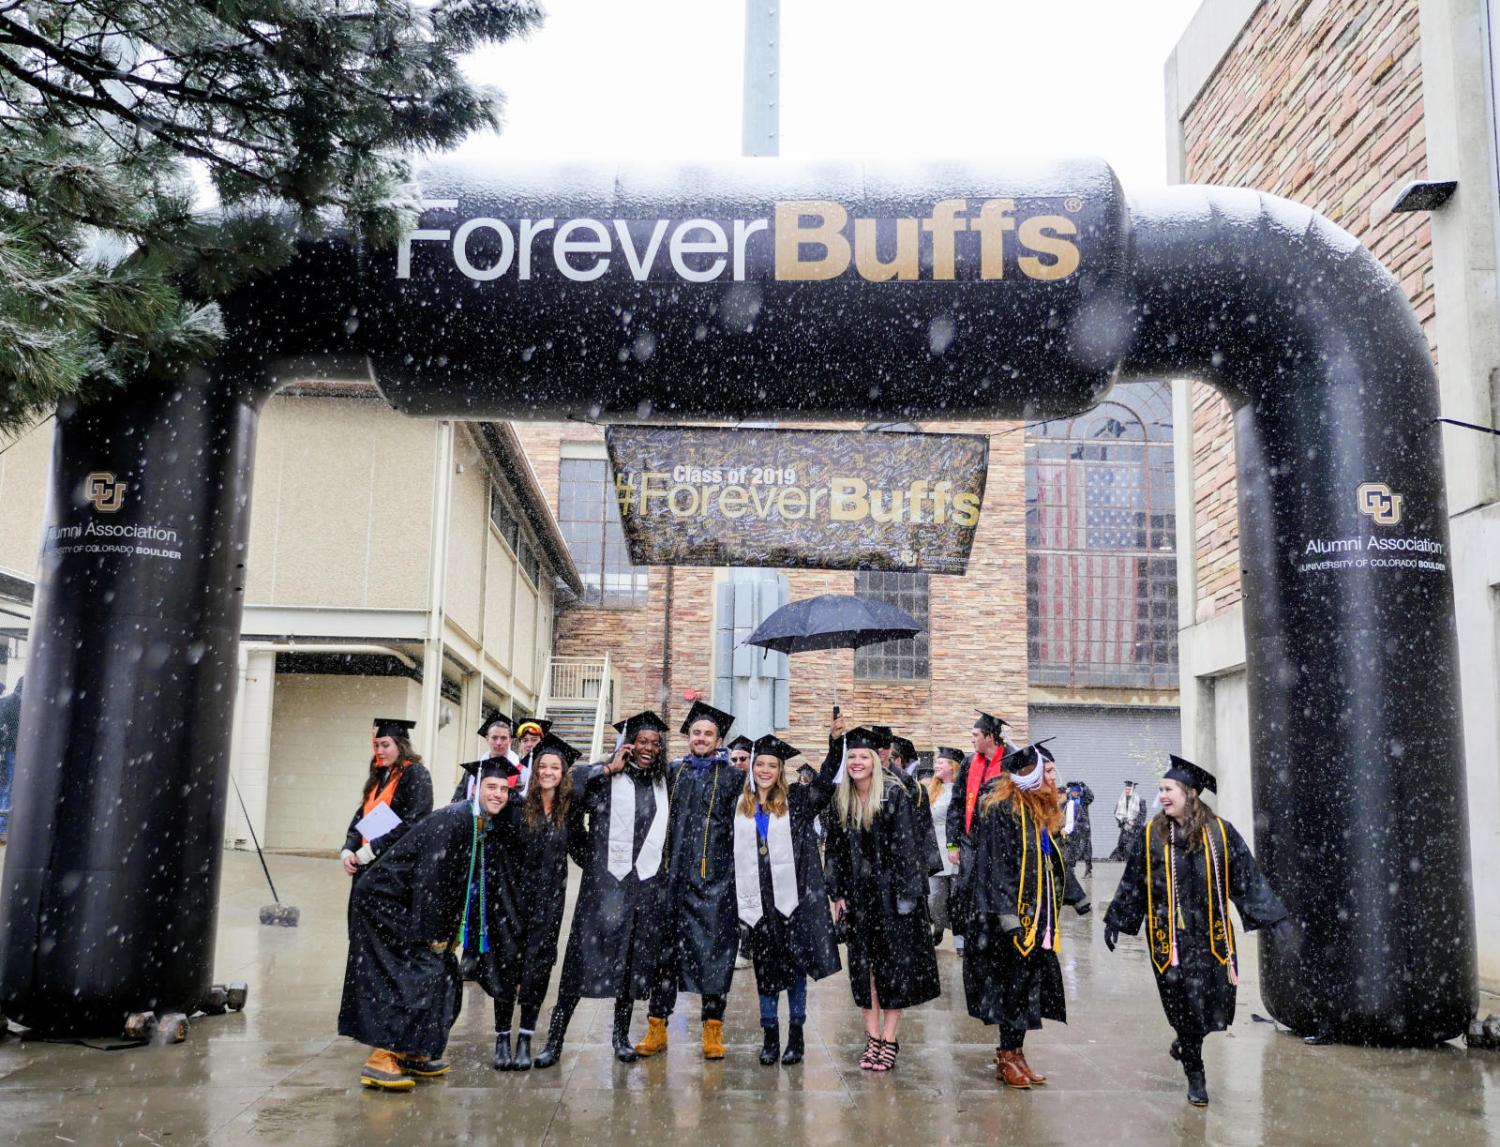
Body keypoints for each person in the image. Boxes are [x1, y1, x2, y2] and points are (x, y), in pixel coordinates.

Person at [1104, 756, 1291, 1107]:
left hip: (1212, 939)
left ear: (1191, 794)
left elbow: (1247, 878)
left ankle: (1186, 1043)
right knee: (1183, 1008)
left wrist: (1274, 919)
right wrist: (1117, 918)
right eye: (1160, 789)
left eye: (1169, 789)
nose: (1162, 796)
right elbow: (1135, 880)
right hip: (1169, 942)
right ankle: (1195, 1072)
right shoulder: (1152, 835)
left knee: (1215, 1007)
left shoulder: (1220, 833)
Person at [338, 760, 511, 1089]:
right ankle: (381, 1057)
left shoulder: (477, 821)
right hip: (383, 902)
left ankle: (412, 1050)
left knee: (443, 976)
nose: (499, 793)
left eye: (503, 789)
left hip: (404, 903)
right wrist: (433, 935)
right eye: (491, 787)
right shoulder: (456, 819)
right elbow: (431, 879)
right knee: (409, 975)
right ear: (476, 788)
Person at [534, 711, 671, 1069]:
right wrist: (591, 859)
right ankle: (555, 1041)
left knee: (628, 966)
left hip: (643, 888)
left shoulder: (663, 781)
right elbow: (570, 792)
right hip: (603, 887)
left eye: (655, 743)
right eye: (642, 741)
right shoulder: (604, 777)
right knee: (580, 963)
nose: (649, 749)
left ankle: (620, 1037)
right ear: (628, 743)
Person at [963, 739, 1090, 1090]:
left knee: (1026, 986)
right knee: (1012, 986)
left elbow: (1051, 860)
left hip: (1037, 915)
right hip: (1010, 917)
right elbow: (994, 866)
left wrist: (1076, 897)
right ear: (1029, 774)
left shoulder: (1037, 809)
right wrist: (1008, 916)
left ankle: (1017, 1053)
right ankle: (1007, 1056)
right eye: (1047, 770)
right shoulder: (1003, 810)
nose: (1053, 776)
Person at [824, 726, 940, 1072]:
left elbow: (907, 849)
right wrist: (838, 893)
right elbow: (835, 851)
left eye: (863, 757)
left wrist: (908, 896)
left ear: (875, 760)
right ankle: (871, 1038)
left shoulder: (893, 794)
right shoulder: (841, 799)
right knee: (864, 971)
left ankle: (889, 1040)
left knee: (892, 970)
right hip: (859, 899)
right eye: (852, 757)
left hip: (891, 899)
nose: (857, 762)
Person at [637, 699, 741, 1061]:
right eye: (696, 732)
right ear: (687, 737)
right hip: (671, 879)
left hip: (714, 882)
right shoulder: (672, 771)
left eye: (708, 733)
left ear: (718, 738)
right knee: (663, 956)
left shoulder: (731, 776)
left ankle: (713, 1029)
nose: (701, 738)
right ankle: (656, 1028)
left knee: (713, 954)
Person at [735, 731, 842, 1066]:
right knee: (766, 972)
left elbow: (825, 785)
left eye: (772, 765)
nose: (765, 770)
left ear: (781, 770)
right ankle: (770, 1036)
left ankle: (796, 1037)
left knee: (795, 970)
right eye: (760, 764)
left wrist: (835, 744)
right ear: (752, 768)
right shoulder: (740, 806)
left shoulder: (796, 800)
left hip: (791, 901)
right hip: (759, 903)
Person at [488, 732, 579, 1072]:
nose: (548, 772)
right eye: (543, 766)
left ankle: (525, 1037)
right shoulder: (514, 807)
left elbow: (583, 849)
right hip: (512, 901)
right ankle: (501, 1038)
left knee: (537, 970)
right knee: (507, 967)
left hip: (549, 904)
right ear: (535, 769)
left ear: (563, 772)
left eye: (555, 767)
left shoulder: (568, 813)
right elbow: (490, 841)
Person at [945, 710, 1011, 957]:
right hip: (970, 841)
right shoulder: (969, 763)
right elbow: (957, 804)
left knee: (995, 891)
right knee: (964, 890)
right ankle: (966, 938)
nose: (972, 739)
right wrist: (953, 843)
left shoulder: (1009, 763)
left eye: (975, 735)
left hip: (998, 844)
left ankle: (995, 938)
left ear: (990, 737)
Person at [342, 718, 433, 876]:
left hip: (396, 868)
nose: (379, 751)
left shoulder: (415, 774)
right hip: (368, 864)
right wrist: (349, 850)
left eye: (385, 745)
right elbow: (362, 817)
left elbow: (415, 822)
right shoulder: (380, 776)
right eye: (376, 745)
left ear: (401, 746)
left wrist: (373, 848)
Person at [926, 746, 965, 949]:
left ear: (953, 766)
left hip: (956, 850)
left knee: (958, 899)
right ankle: (939, 925)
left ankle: (960, 940)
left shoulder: (962, 790)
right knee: (934, 899)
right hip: (935, 851)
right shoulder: (932, 790)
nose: (936, 766)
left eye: (940, 763)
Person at [452, 713, 521, 804]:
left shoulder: (520, 770)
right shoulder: (475, 769)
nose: (499, 742)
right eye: (494, 738)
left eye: (503, 738)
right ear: (487, 738)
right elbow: (457, 800)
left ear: (510, 740)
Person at [1061, 778, 1095, 878]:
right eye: (1074, 791)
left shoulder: (1083, 801)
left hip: (1083, 828)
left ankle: (1088, 870)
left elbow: (1091, 797)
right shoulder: (1068, 802)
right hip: (1072, 829)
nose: (1076, 793)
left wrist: (1085, 787)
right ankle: (1071, 870)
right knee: (1071, 849)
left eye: (1077, 792)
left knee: (1086, 848)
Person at [0, 676, 20, 843]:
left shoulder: (5, 702)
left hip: (7, 751)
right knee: (9, 788)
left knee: (6, 787)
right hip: (14, 752)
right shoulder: (20, 704)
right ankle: (3, 827)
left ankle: (3, 826)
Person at [510, 717, 553, 795]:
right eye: (525, 740)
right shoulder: (513, 772)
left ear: (542, 743)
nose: (529, 744)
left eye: (534, 740)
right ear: (520, 745)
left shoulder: (551, 771)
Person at [1109, 780, 1144, 861]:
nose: (1127, 791)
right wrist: (1123, 820)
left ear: (1133, 790)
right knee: (1121, 845)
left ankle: (1129, 862)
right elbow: (1116, 813)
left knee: (1130, 847)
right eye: (1126, 789)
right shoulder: (1121, 800)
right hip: (1124, 827)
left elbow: (1142, 815)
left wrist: (1134, 823)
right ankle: (1117, 860)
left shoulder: (1140, 801)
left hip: (1134, 829)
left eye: (1129, 789)